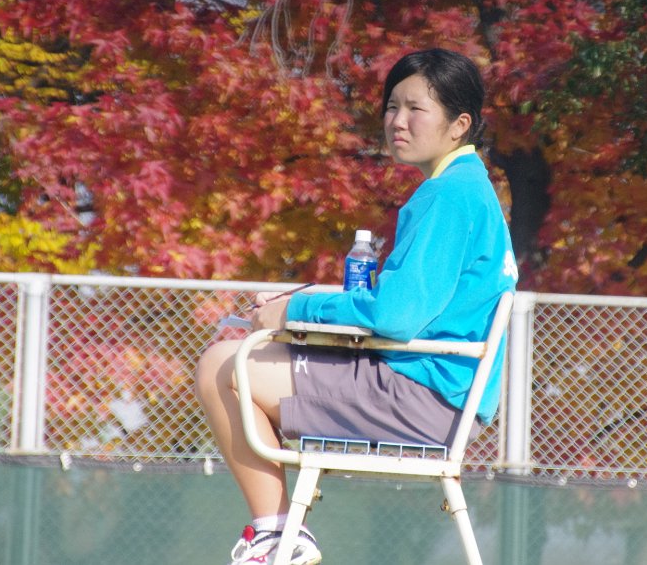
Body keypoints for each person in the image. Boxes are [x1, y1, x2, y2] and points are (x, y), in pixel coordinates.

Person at [195, 48, 518, 565]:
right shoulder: (467, 189)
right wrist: (301, 301)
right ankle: (279, 534)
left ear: (460, 124)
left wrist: (294, 314)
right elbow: (400, 306)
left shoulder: (450, 196)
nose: (398, 121)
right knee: (238, 358)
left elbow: (395, 317)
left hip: (422, 400)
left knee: (222, 365)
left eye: (416, 109)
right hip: (436, 397)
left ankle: (277, 536)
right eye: (392, 106)